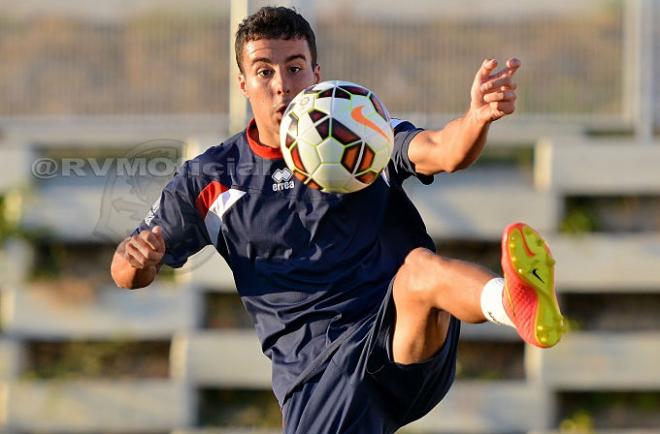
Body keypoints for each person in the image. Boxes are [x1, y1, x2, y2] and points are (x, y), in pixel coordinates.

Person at [111, 6, 564, 433]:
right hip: (317, 370)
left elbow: (442, 151)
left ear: (315, 74)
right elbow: (126, 271)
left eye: (294, 67)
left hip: (400, 336)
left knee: (422, 271)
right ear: (243, 83)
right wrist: (138, 260)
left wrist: (477, 117)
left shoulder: (359, 127)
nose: (282, 85)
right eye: (264, 71)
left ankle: (514, 303)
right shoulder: (211, 177)